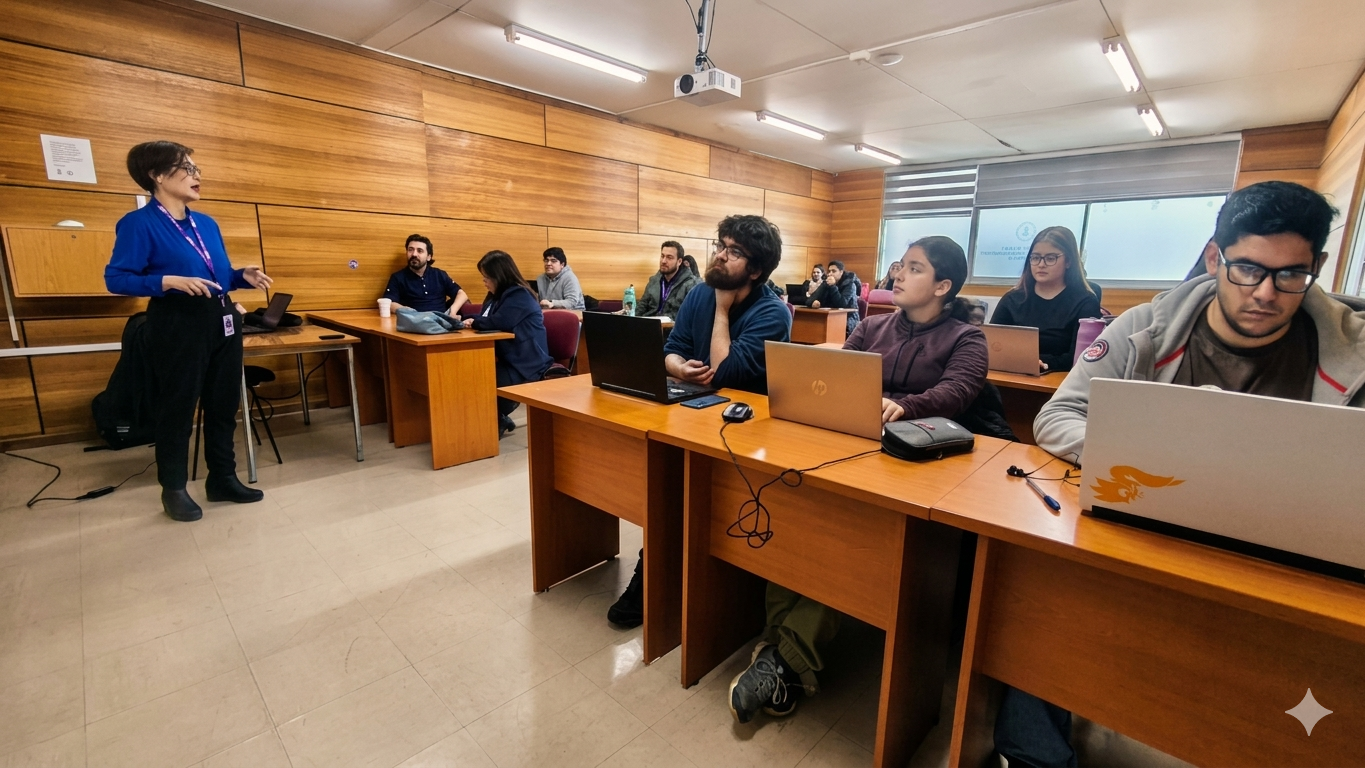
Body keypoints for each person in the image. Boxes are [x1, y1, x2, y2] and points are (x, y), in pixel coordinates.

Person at [1006, 181, 1365, 768]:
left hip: (1285, 557)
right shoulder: (1145, 330)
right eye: (1247, 269)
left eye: (1291, 275)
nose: (1267, 293)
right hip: (1145, 528)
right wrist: (1152, 465)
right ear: (1213, 256)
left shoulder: (1353, 354)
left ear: (1317, 267)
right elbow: (1059, 415)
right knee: (1043, 599)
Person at [723, 237, 997, 726]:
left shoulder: (966, 338)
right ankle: (780, 649)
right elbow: (836, 373)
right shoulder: (870, 325)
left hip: (914, 464)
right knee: (792, 518)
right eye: (901, 265)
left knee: (849, 544)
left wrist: (905, 406)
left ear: (943, 285)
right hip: (852, 448)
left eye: (915, 269)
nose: (899, 274)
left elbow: (958, 391)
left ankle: (784, 658)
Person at [606, 215, 791, 629]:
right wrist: (678, 368)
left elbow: (726, 372)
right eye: (720, 245)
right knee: (662, 479)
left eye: (734, 252)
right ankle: (656, 567)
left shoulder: (773, 314)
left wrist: (723, 310)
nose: (720, 256)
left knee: (682, 487)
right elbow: (672, 350)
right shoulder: (699, 295)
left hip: (746, 433)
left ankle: (664, 575)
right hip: (695, 412)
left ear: (756, 270)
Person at [105, 140, 272, 522]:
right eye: (188, 168)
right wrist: (165, 281)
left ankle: (223, 479)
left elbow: (216, 276)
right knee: (178, 409)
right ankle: (175, 489)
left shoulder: (206, 223)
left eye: (196, 168)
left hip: (223, 322)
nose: (198, 175)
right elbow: (116, 278)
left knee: (222, 405)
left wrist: (239, 276)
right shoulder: (139, 224)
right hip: (178, 326)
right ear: (157, 175)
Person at [461, 250, 552, 435]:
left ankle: (494, 421)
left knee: (482, 385)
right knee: (470, 377)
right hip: (507, 356)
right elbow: (484, 317)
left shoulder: (519, 295)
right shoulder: (496, 295)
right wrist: (465, 318)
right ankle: (497, 420)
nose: (484, 281)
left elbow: (498, 321)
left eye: (487, 277)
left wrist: (472, 321)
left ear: (499, 276)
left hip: (526, 361)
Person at [989, 226, 1101, 373]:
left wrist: (1041, 362)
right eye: (1035, 257)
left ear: (1068, 261)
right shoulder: (1012, 299)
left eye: (1050, 258)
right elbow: (992, 346)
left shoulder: (1085, 302)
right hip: (1010, 375)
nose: (1041, 264)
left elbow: (1080, 357)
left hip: (1058, 381)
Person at [382, 234, 468, 314]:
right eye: (410, 250)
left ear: (429, 257)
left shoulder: (439, 275)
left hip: (442, 321)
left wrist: (452, 312)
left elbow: (462, 294)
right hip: (415, 322)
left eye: (420, 251)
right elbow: (389, 303)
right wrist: (409, 312)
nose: (414, 254)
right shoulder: (398, 277)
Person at [634, 240, 700, 319]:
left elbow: (688, 314)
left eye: (669, 257)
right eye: (662, 256)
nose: (663, 261)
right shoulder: (654, 280)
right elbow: (642, 306)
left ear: (679, 262)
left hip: (673, 328)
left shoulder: (691, 284)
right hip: (649, 326)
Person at [806, 259, 861, 334]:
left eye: (834, 271)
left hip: (848, 318)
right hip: (830, 317)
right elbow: (809, 299)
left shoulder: (850, 284)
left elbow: (842, 304)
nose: (830, 274)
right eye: (829, 271)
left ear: (841, 272)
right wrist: (812, 302)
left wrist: (833, 286)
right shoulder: (827, 282)